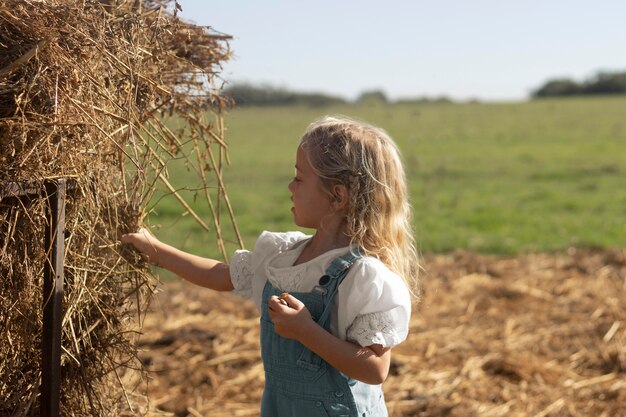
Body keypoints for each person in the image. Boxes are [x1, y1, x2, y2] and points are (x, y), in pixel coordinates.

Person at [121, 115, 420, 417]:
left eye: (300, 178)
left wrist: (306, 331)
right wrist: (156, 251)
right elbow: (220, 275)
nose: (290, 186)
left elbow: (374, 369)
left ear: (337, 196)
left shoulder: (364, 276)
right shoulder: (282, 256)